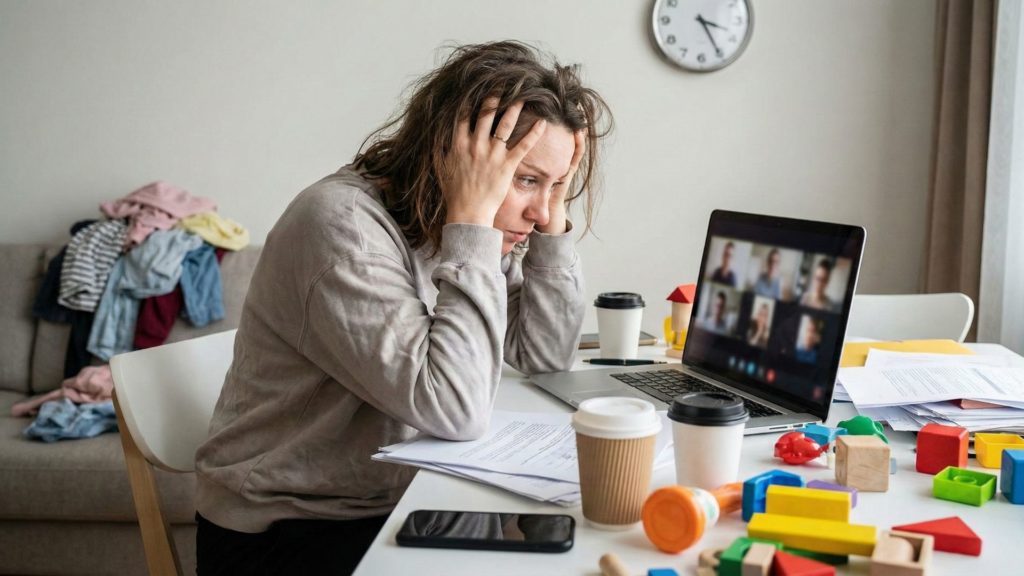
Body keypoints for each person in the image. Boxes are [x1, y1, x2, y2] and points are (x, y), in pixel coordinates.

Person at [193, 41, 612, 575]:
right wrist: (473, 227)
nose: (538, 211)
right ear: (452, 156)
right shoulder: (341, 228)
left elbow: (545, 357)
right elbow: (454, 409)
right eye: (526, 179)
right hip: (289, 528)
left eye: (556, 186)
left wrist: (551, 215)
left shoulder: (461, 223)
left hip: (396, 496)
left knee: (583, 545)